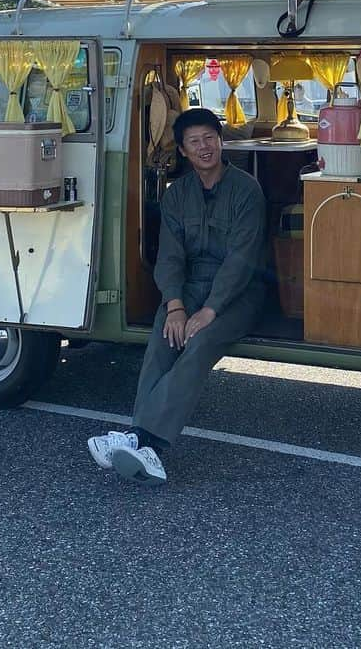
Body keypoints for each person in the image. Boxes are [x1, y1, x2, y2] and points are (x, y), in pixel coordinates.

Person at [87, 107, 268, 485]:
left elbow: (241, 260)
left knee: (198, 344)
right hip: (188, 288)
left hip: (239, 293)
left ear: (221, 141)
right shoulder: (177, 195)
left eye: (210, 139)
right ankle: (143, 446)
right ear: (182, 151)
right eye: (194, 142)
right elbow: (169, 256)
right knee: (162, 342)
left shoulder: (247, 190)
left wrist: (210, 310)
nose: (204, 147)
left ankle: (139, 437)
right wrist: (176, 306)